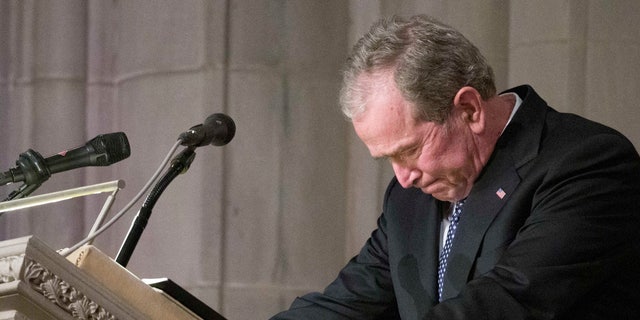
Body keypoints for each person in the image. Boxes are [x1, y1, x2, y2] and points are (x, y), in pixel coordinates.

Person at [271, 15, 640, 319]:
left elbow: (508, 301)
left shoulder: (587, 163)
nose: (403, 176)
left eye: (410, 149)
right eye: (389, 160)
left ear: (469, 110)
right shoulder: (409, 195)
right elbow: (349, 301)